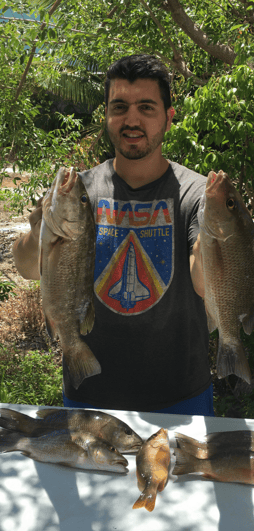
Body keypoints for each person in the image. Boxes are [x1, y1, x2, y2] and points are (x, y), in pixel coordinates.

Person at [13, 54, 214, 416]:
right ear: (106, 114)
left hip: (182, 396)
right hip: (88, 394)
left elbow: (204, 284)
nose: (131, 119)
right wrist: (39, 226)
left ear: (168, 117)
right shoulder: (81, 190)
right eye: (119, 106)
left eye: (146, 107)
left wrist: (219, 239)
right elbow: (28, 267)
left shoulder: (195, 194)